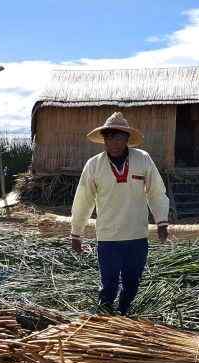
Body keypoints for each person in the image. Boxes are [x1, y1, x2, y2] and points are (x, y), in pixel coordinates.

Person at [70, 112, 170, 316]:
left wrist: (161, 222)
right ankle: (105, 318)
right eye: (108, 137)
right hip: (108, 238)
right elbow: (83, 199)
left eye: (117, 136)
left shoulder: (142, 159)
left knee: (132, 283)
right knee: (108, 285)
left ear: (126, 139)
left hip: (137, 236)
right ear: (104, 139)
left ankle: (124, 314)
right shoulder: (94, 164)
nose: (113, 142)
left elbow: (156, 191)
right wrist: (76, 233)